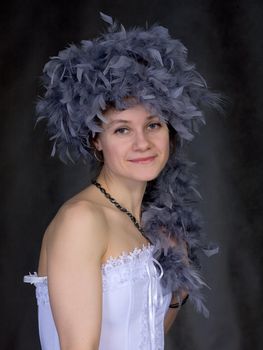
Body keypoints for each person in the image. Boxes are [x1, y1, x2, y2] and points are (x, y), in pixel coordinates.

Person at [24, 12, 221, 350]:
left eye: (153, 124)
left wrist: (177, 290)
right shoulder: (82, 220)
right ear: (96, 140)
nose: (142, 143)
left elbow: (148, 336)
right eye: (122, 129)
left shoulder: (149, 226)